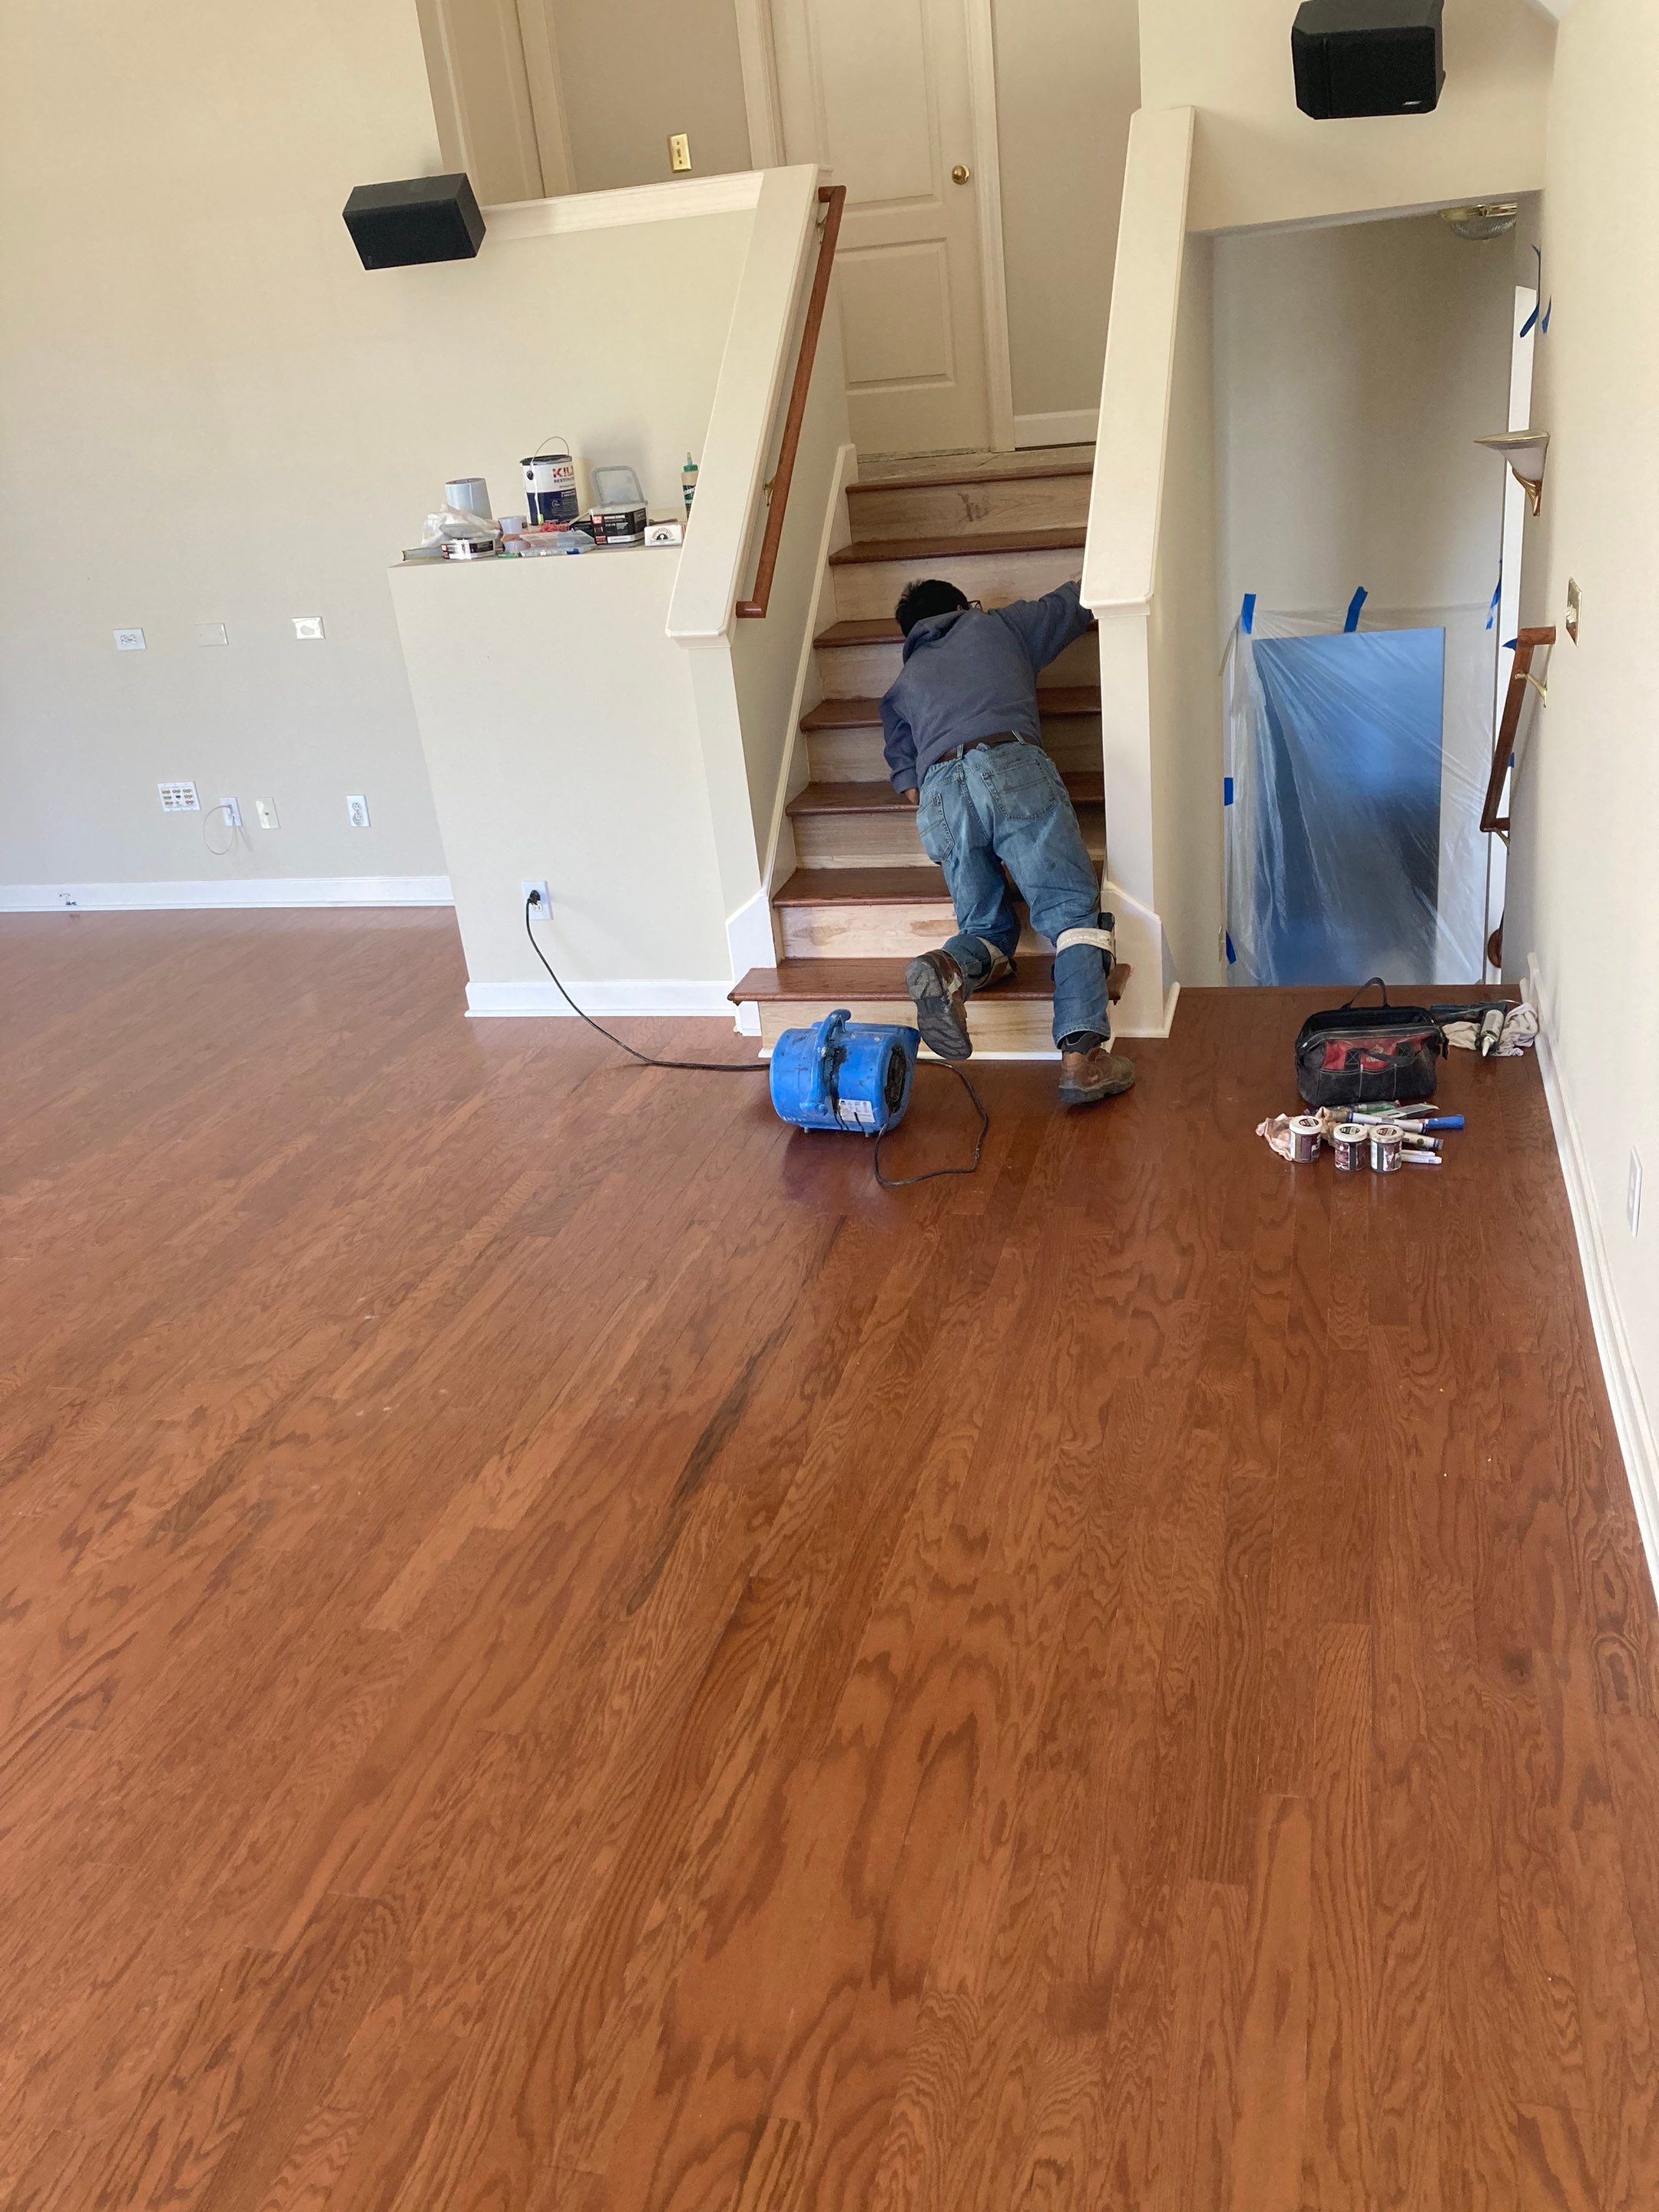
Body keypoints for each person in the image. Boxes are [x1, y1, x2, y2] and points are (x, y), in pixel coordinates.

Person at [881, 575, 1134, 1107]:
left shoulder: (903, 683)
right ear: (961, 606)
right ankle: (1083, 1060)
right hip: (1008, 761)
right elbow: (1072, 604)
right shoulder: (997, 626)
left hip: (939, 792)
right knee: (1070, 912)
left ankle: (950, 968)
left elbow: (907, 782)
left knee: (984, 927)